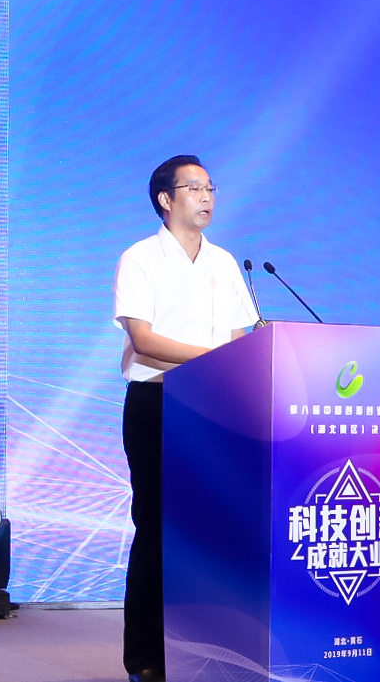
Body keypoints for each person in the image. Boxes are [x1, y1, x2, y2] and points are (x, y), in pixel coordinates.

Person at [113, 155, 257, 682]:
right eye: (194, 188)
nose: (206, 197)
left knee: (215, 531)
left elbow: (241, 338)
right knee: (158, 531)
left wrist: (232, 365)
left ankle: (213, 652)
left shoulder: (224, 262)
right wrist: (214, 358)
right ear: (165, 199)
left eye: (210, 188)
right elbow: (143, 340)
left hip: (217, 410)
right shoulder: (140, 258)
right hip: (158, 405)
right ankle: (147, 659)